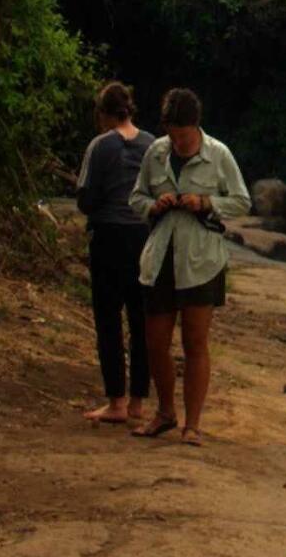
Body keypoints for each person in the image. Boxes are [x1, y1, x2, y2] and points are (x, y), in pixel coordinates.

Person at [128, 88, 250, 446]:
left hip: (202, 259)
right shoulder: (156, 152)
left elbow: (242, 200)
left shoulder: (218, 155)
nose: (179, 143)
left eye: (184, 136)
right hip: (161, 257)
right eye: (173, 135)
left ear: (196, 127)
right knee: (154, 342)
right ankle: (165, 412)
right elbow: (136, 196)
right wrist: (154, 205)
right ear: (166, 128)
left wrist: (207, 202)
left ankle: (192, 425)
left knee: (195, 342)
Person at [75, 82, 155, 425]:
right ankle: (138, 400)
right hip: (143, 238)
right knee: (141, 321)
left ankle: (117, 401)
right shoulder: (153, 144)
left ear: (104, 113)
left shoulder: (100, 146)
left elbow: (86, 199)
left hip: (108, 236)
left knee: (108, 320)